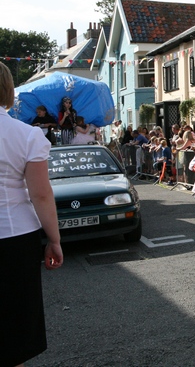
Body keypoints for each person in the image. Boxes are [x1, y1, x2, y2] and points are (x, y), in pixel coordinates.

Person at [0, 61, 63, 366]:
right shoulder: (26, 135)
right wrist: (54, 239)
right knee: (14, 327)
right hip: (14, 236)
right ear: (8, 90)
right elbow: (40, 193)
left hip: (15, 233)